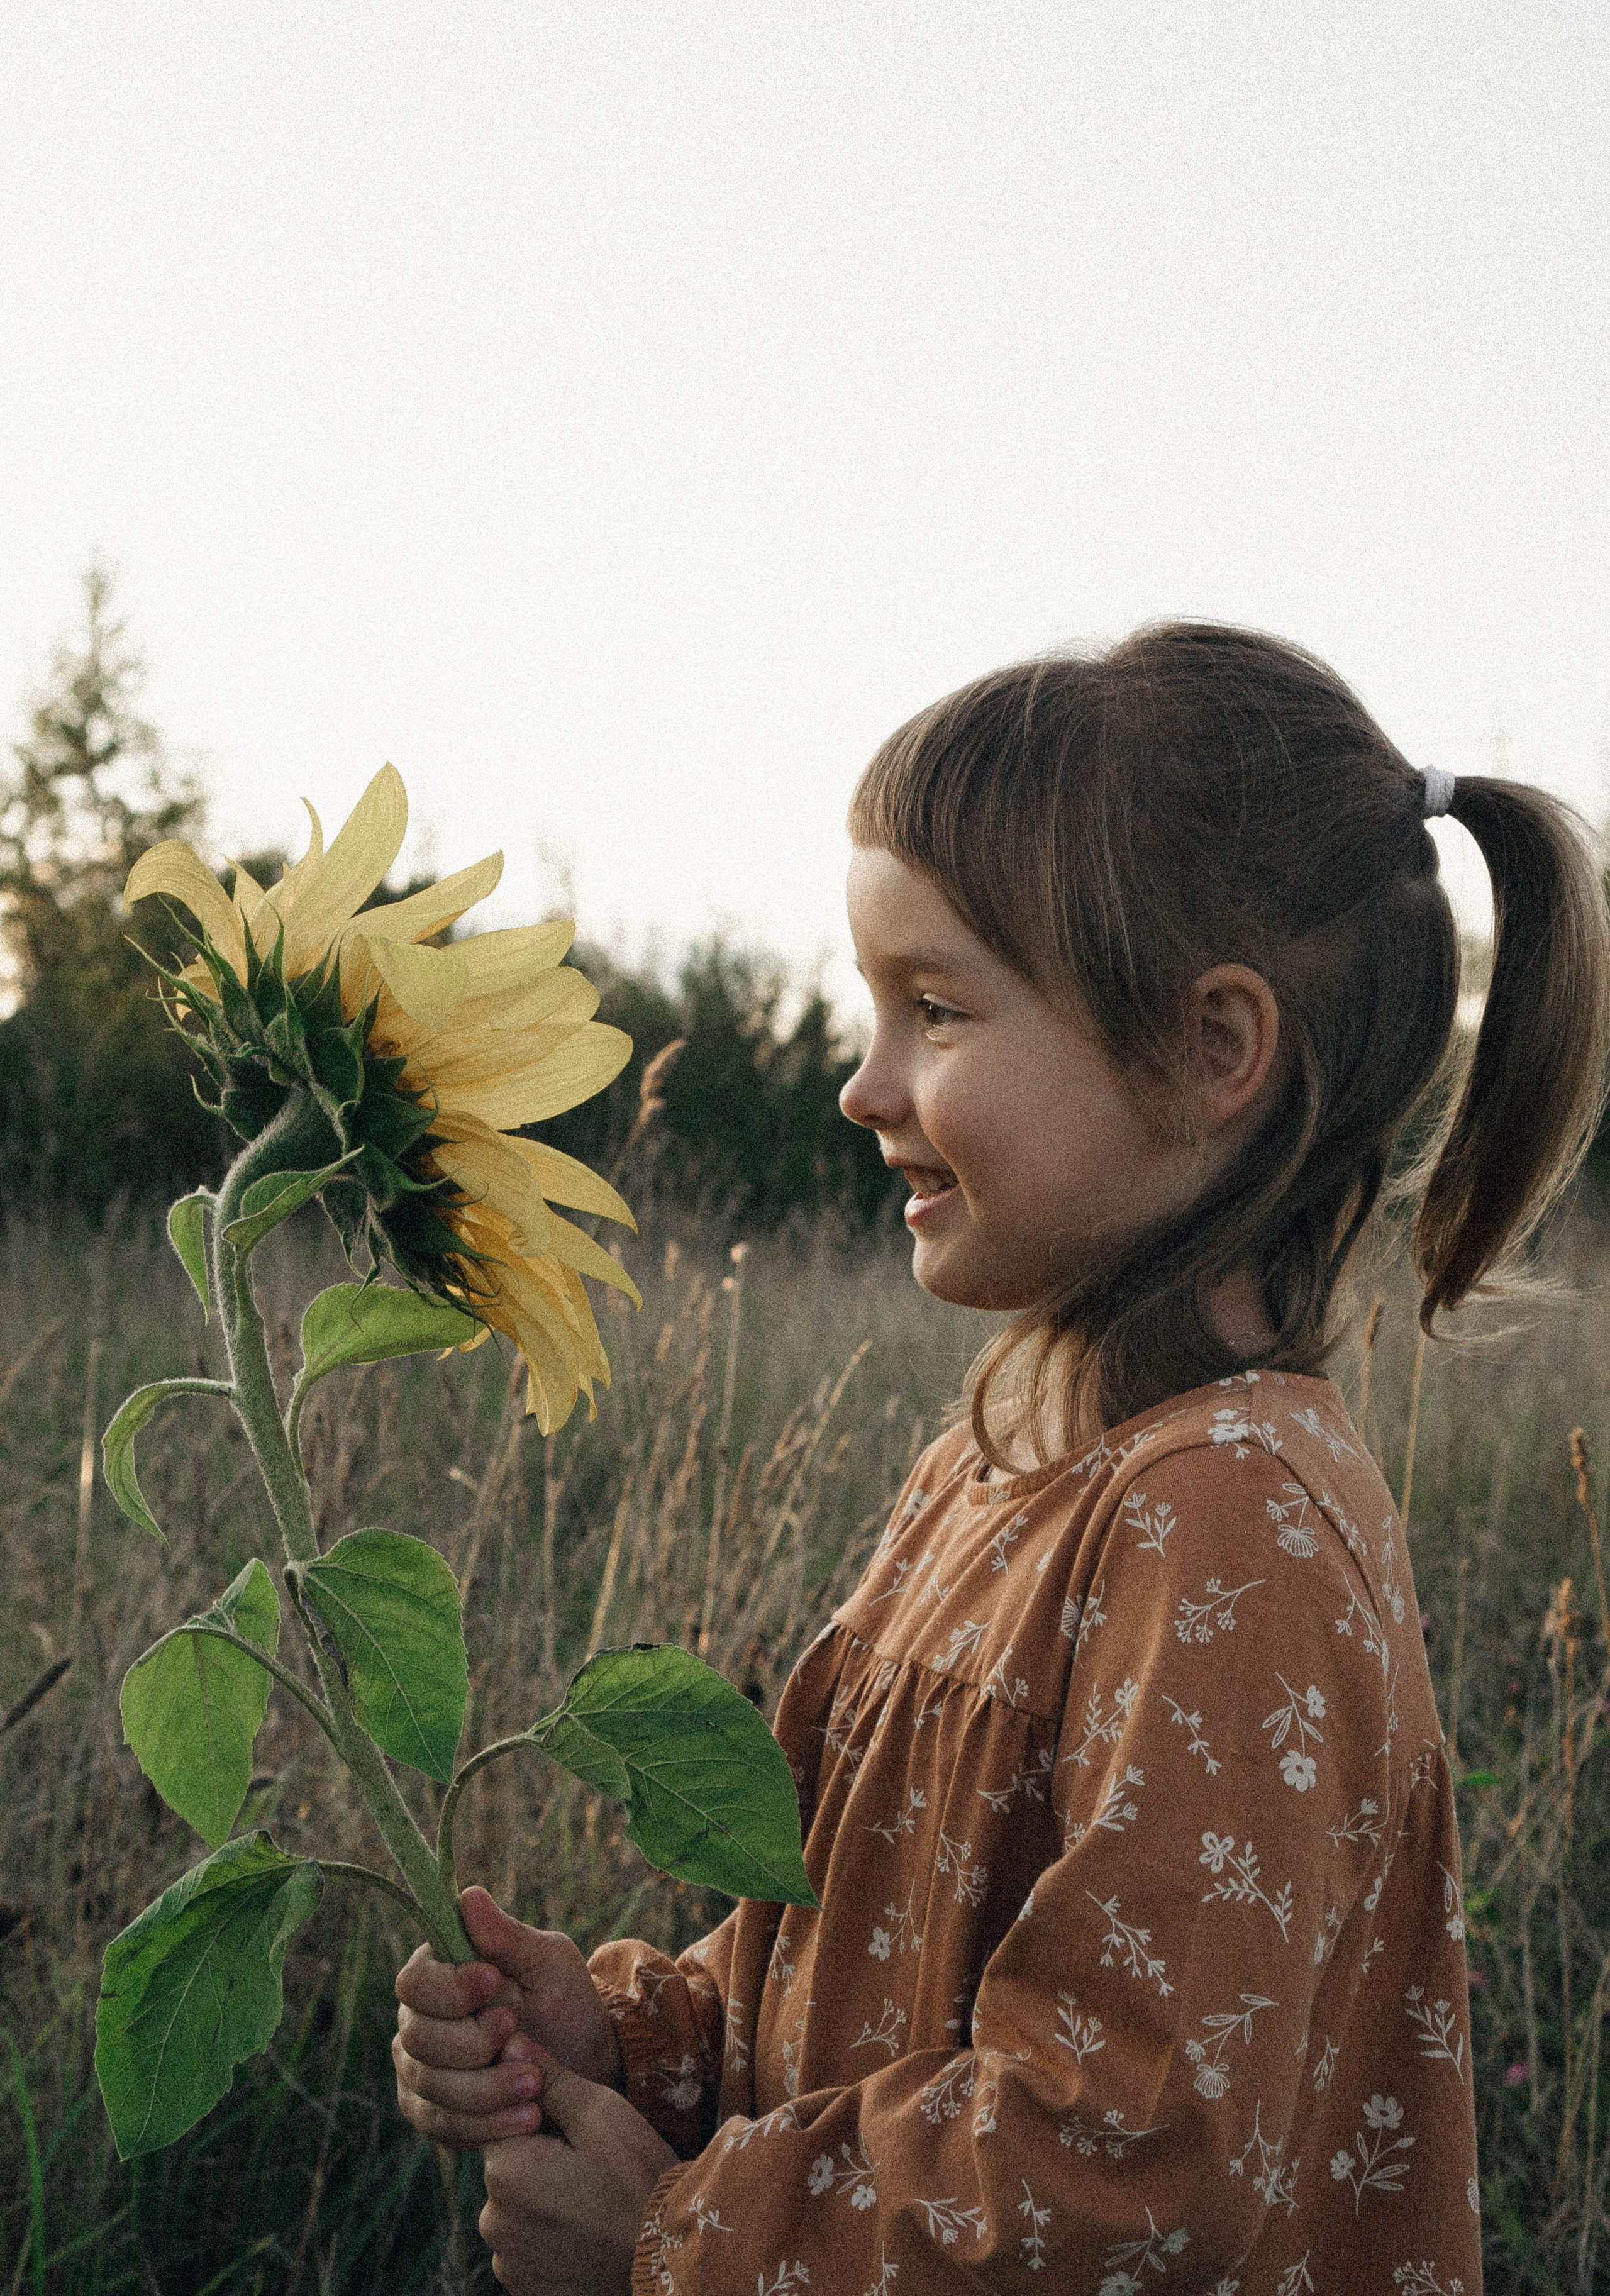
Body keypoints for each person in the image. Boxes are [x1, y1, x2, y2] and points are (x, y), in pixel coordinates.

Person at [392, 622, 1610, 2293]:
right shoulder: (998, 1460)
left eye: (937, 1010)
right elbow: (847, 1984)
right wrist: (623, 2038)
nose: (861, 1082)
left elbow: (1134, 2162)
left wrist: (678, 2242)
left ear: (1211, 1051)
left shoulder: (1230, 1521)